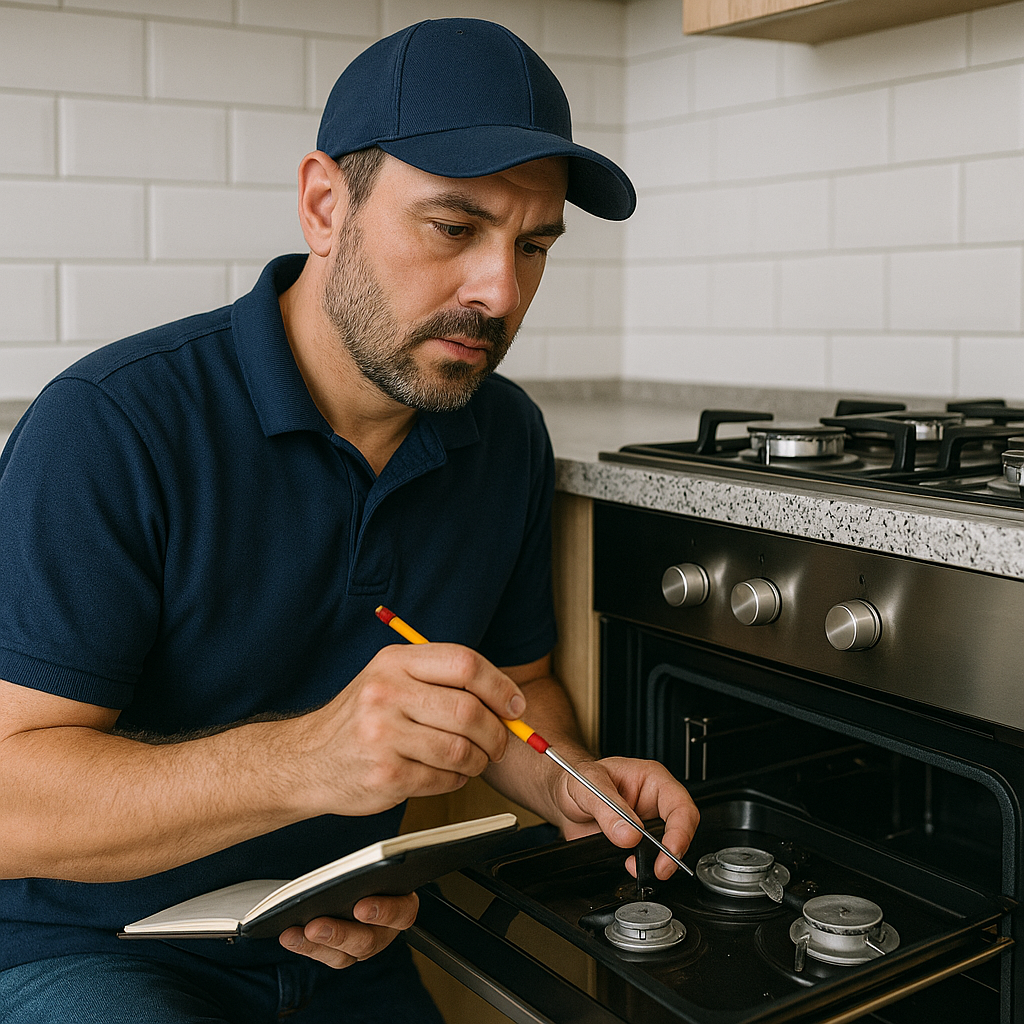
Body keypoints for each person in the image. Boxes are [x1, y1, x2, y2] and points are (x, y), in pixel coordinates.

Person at [0, 18, 699, 1024]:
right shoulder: (111, 424)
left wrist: (567, 783)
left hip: (339, 946)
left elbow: (515, 687)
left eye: (533, 243)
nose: (499, 291)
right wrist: (304, 761)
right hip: (86, 952)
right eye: (454, 229)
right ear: (325, 205)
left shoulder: (502, 435)